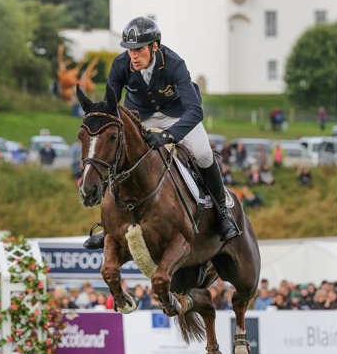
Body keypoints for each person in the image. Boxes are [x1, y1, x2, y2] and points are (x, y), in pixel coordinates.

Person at [83, 16, 241, 249]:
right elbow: (111, 107)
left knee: (204, 155)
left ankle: (222, 215)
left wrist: (169, 135)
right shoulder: (120, 65)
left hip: (178, 114)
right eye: (129, 50)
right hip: (141, 115)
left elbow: (195, 110)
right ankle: (108, 226)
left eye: (138, 49)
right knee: (117, 154)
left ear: (154, 46)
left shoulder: (174, 64)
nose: (133, 55)